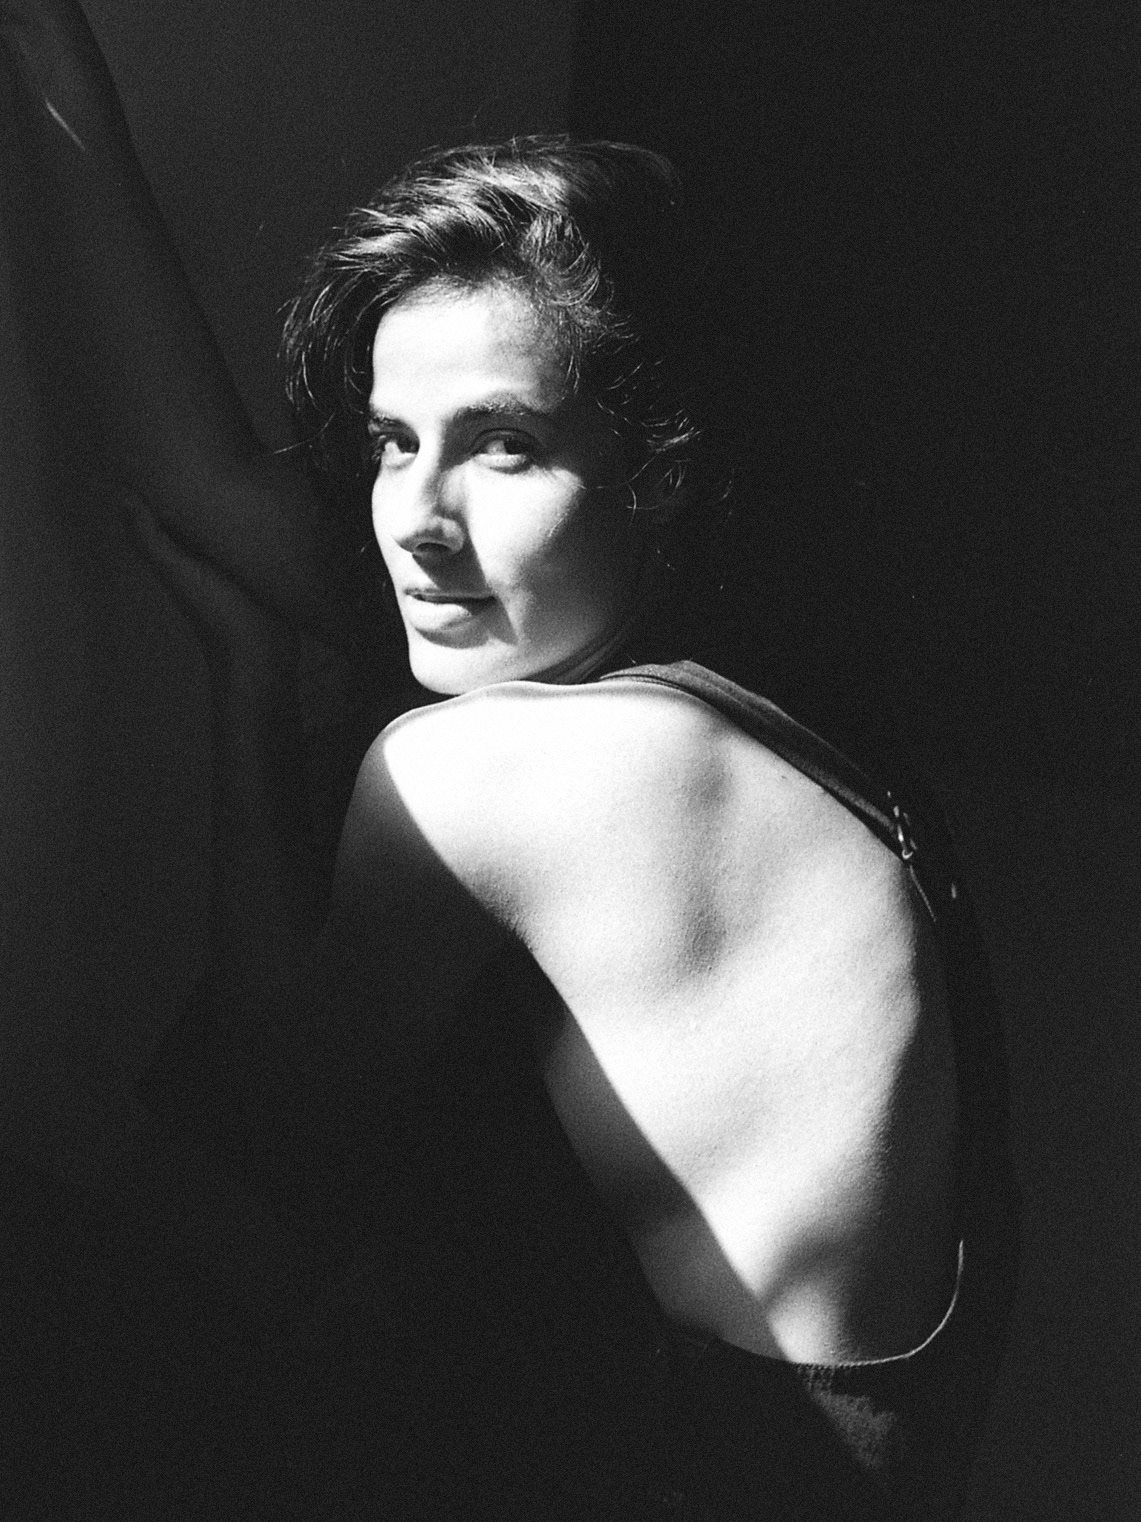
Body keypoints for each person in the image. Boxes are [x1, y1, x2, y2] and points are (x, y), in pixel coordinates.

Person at [1, 4, 1018, 1517]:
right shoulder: (741, 676)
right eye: (389, 440)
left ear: (657, 468)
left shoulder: (520, 773)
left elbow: (273, 1123)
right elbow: (205, 482)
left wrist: (244, 694)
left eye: (503, 444)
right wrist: (49, 50)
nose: (416, 520)